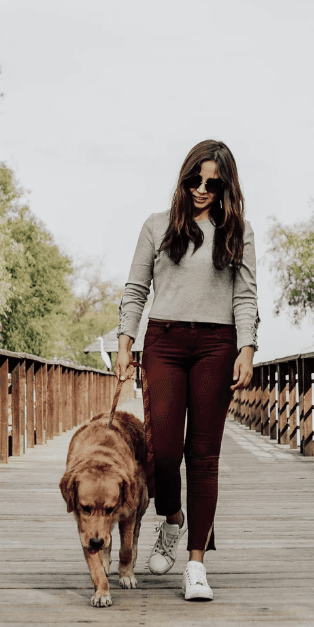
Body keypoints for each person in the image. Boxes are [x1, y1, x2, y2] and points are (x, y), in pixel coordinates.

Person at [114, 139, 258, 602]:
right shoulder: (157, 227)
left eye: (212, 183)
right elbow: (136, 290)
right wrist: (125, 344)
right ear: (184, 177)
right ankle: (172, 519)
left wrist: (247, 347)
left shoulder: (239, 231)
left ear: (225, 186)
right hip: (165, 343)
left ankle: (196, 563)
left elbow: (245, 296)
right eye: (194, 179)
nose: (201, 189)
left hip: (218, 345)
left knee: (204, 457)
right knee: (164, 452)